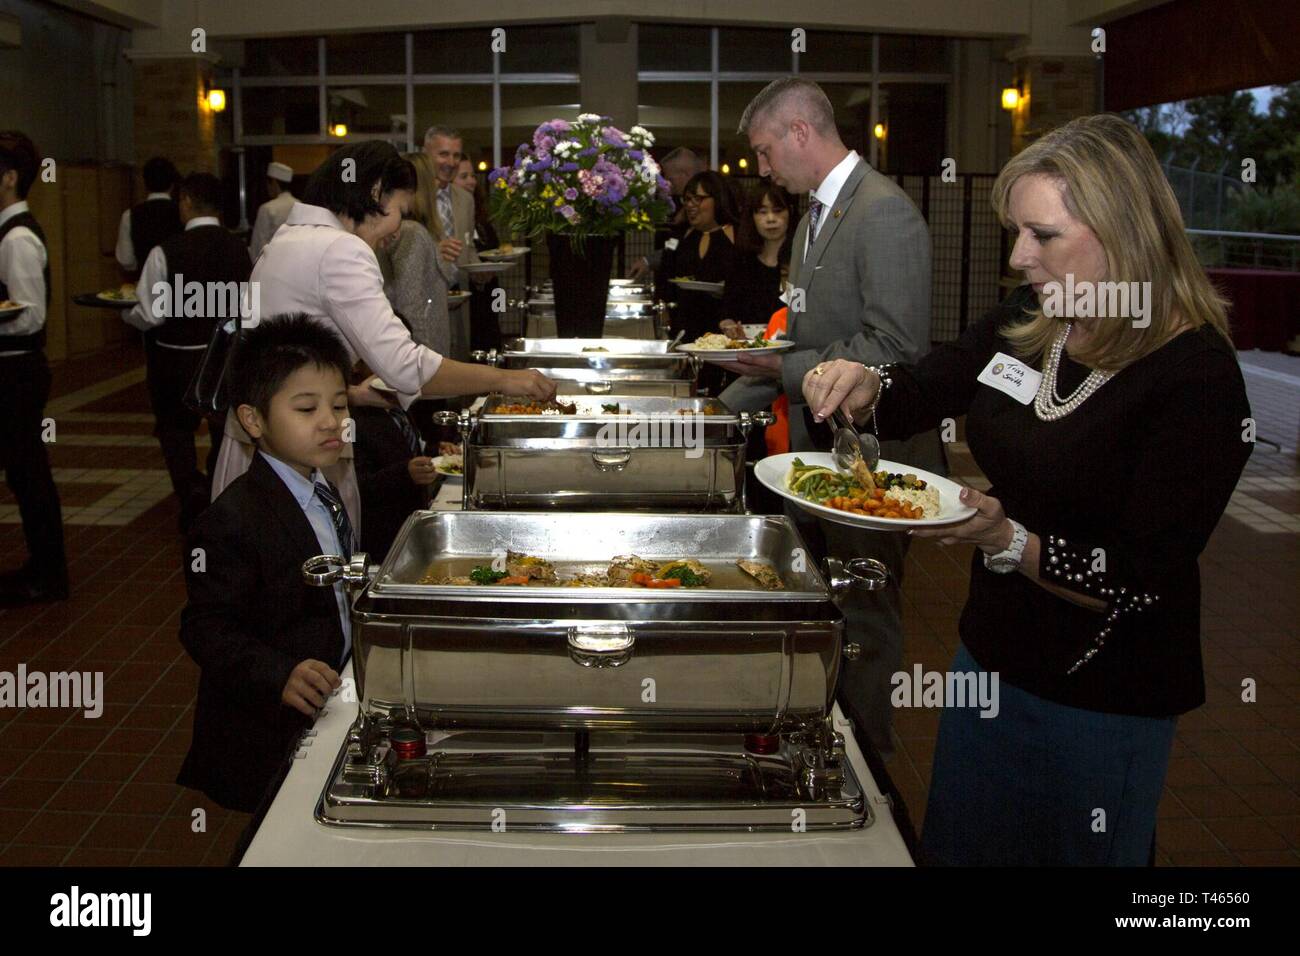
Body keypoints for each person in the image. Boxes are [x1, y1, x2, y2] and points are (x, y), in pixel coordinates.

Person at [802, 113, 1253, 866]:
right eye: (1018, 232)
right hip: (990, 662)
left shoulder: (1195, 380)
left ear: (1124, 232)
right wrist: (861, 384)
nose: (1020, 256)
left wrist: (1004, 539)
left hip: (1104, 696)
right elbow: (924, 386)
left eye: (1042, 236)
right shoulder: (1034, 318)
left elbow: (1140, 581)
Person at [722, 77, 944, 758]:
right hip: (824, 453)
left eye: (764, 151)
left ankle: (868, 769)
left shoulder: (882, 212)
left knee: (864, 628)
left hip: (874, 464)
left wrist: (779, 369)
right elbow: (813, 333)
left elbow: (895, 349)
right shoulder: (820, 212)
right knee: (823, 616)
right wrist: (725, 404)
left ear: (799, 132)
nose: (761, 169)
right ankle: (821, 744)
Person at [211, 140, 554, 535]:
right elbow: (406, 367)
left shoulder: (289, 238)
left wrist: (353, 395)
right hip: (293, 461)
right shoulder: (341, 249)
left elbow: (280, 360)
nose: (397, 230)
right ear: (375, 192)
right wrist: (507, 380)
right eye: (401, 211)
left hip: (261, 447)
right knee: (312, 574)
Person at [178, 315, 353, 812]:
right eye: (306, 407)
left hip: (328, 698)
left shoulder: (318, 485)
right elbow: (205, 626)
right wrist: (278, 674)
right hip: (270, 722)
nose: (329, 420)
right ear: (254, 420)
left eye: (338, 404)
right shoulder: (231, 519)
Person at [127, 172, 250, 532]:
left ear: (185, 203)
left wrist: (127, 312)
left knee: (174, 432)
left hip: (175, 359)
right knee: (222, 430)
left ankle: (190, 493)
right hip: (225, 357)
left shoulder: (165, 251)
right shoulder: (240, 249)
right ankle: (215, 488)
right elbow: (249, 307)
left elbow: (151, 313)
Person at [0, 130, 67, 606]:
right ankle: (43, 567)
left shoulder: (18, 238)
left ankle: (48, 574)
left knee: (30, 475)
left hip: (16, 373)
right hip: (13, 370)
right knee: (25, 474)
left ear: (8, 178)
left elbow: (30, 313)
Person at [721, 182, 794, 332]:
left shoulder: (801, 260)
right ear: (752, 216)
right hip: (748, 348)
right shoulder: (741, 262)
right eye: (762, 212)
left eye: (778, 210)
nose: (771, 218)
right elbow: (728, 311)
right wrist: (729, 326)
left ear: (790, 212)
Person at [628, 146, 705, 281]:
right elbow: (673, 243)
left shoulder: (698, 210)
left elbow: (679, 244)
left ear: (684, 175)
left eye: (670, 178)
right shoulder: (680, 204)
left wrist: (649, 261)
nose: (667, 184)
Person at [454, 155, 503, 353]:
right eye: (463, 176)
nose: (472, 181)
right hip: (465, 305)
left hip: (489, 300)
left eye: (472, 175)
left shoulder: (481, 220)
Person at [115, 156, 182, 274]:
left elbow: (126, 260)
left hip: (145, 284)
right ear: (172, 184)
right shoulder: (183, 213)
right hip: (180, 284)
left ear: (144, 184)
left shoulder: (130, 215)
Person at [248, 161, 296, 261]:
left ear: (274, 182)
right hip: (296, 261)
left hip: (272, 264)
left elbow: (258, 246)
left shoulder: (267, 208)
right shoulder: (301, 205)